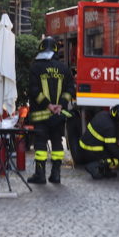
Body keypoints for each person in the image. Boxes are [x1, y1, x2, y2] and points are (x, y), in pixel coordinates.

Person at [27, 36, 75, 184]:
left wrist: (48, 105)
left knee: (40, 145)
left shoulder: (35, 67)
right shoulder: (64, 68)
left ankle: (40, 175)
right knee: (57, 144)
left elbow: (34, 91)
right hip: (58, 115)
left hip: (41, 115)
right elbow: (70, 89)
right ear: (55, 49)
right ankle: (56, 174)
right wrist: (60, 105)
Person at [79, 104, 119, 180]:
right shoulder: (110, 127)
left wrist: (118, 143)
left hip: (85, 146)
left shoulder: (104, 114)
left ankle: (105, 171)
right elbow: (113, 148)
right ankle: (94, 166)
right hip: (91, 150)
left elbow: (106, 137)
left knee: (114, 152)